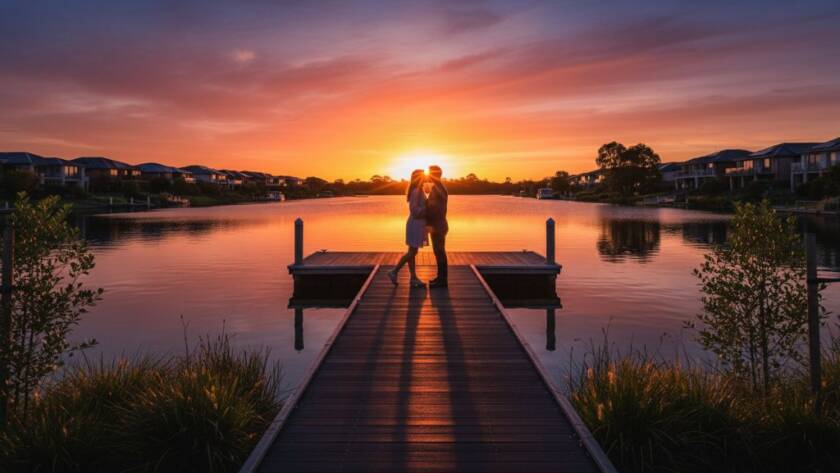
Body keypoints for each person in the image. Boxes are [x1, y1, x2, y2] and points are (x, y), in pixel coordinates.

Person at [388, 169, 428, 287]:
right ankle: (394, 271)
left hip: (416, 223)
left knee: (412, 251)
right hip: (415, 224)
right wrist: (428, 209)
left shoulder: (417, 190)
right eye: (423, 176)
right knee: (412, 252)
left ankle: (413, 278)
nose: (426, 178)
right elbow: (414, 210)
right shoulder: (416, 191)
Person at [425, 165, 448, 288]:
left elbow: (436, 209)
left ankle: (442, 280)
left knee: (440, 252)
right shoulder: (438, 187)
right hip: (438, 225)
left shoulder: (439, 188)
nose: (428, 175)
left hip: (438, 226)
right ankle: (440, 278)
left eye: (429, 173)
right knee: (438, 252)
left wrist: (426, 209)